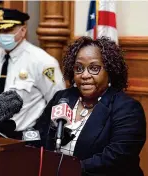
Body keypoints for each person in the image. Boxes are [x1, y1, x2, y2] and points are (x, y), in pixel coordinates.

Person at [34, 36, 146, 176]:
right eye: (79, 68)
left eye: (94, 68)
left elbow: (117, 157)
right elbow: (39, 135)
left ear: (109, 71)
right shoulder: (62, 97)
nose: (84, 75)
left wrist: (68, 169)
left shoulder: (127, 108)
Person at [0, 8, 65, 139]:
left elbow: (58, 102)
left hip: (23, 138)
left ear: (23, 30)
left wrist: (46, 137)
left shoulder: (42, 61)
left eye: (7, 30)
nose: (1, 35)